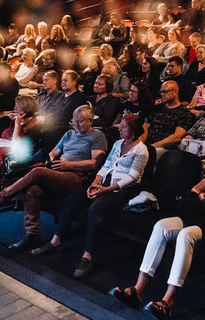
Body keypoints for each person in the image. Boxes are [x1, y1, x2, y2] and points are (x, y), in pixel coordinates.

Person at [109, 138, 205, 320]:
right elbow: (196, 189)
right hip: (200, 213)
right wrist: (203, 194)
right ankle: (138, 290)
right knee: (162, 225)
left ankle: (168, 301)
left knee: (185, 236)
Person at [0, 105, 108, 251]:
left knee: (37, 172)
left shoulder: (97, 136)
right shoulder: (69, 134)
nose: (77, 124)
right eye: (75, 121)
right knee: (32, 190)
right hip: (58, 172)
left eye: (81, 121)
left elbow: (95, 163)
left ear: (90, 120)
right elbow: (52, 153)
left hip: (77, 177)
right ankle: (32, 236)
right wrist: (50, 162)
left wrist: (68, 164)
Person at [33, 114, 149, 279]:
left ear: (133, 130)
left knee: (95, 209)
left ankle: (87, 256)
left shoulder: (141, 149)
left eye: (123, 126)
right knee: (73, 199)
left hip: (122, 190)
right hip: (104, 183)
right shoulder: (118, 143)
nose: (120, 129)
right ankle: (55, 241)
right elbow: (107, 165)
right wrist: (96, 181)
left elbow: (132, 177)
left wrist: (105, 189)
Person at [143, 80, 195, 152]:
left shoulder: (183, 112)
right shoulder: (157, 108)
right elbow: (145, 127)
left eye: (165, 92)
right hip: (147, 145)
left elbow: (177, 137)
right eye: (161, 92)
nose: (162, 94)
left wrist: (152, 147)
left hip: (165, 148)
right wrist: (140, 143)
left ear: (175, 92)